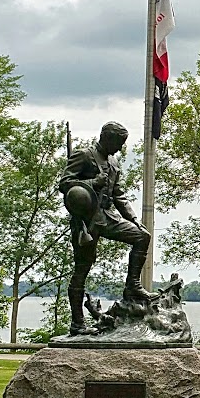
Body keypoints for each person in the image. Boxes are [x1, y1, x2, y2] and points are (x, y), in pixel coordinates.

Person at [59, 121, 154, 335]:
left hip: (107, 215)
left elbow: (118, 194)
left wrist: (133, 218)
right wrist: (93, 182)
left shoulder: (114, 162)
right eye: (119, 143)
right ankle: (77, 324)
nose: (120, 148)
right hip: (87, 219)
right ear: (107, 138)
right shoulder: (84, 155)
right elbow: (64, 183)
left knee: (142, 236)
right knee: (82, 269)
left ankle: (132, 286)